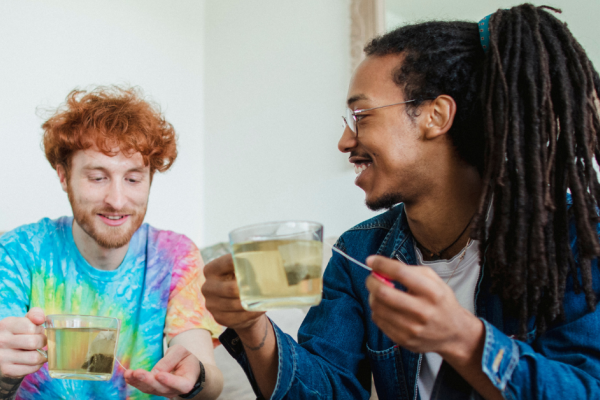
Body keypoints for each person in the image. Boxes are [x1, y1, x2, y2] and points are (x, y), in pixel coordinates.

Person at [202, 4, 600, 400]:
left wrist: (464, 340)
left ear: (435, 115)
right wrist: (253, 326)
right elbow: (330, 389)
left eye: (361, 114)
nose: (344, 142)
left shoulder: (573, 239)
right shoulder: (359, 251)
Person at [0, 87, 223, 400]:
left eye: (133, 179)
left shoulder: (175, 256)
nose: (117, 201)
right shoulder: (17, 251)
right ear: (63, 176)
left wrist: (195, 377)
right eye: (97, 177)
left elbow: (208, 378)